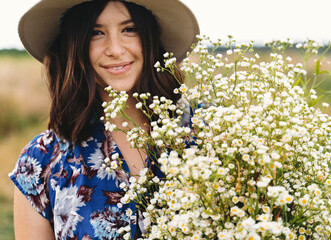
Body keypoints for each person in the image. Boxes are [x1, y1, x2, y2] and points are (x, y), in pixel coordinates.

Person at [9, 0, 199, 239]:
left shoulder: (212, 134)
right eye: (96, 33)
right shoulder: (40, 162)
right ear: (74, 45)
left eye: (129, 29)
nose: (115, 49)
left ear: (150, 37)